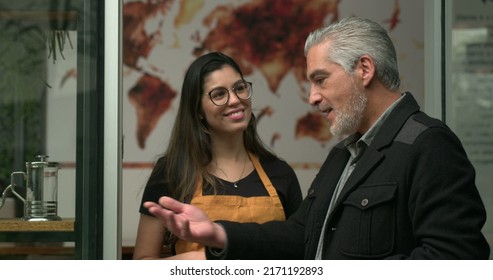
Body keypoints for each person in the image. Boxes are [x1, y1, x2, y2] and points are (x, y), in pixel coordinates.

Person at [144, 17, 490, 259]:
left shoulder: (429, 145)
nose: (311, 97)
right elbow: (301, 235)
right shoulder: (343, 155)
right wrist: (218, 234)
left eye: (320, 79)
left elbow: (456, 260)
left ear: (364, 70)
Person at [133, 52, 303, 260]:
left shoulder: (279, 172)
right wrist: (205, 258)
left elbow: (301, 249)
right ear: (198, 111)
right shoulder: (172, 171)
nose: (235, 100)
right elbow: (142, 264)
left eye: (240, 88)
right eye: (219, 94)